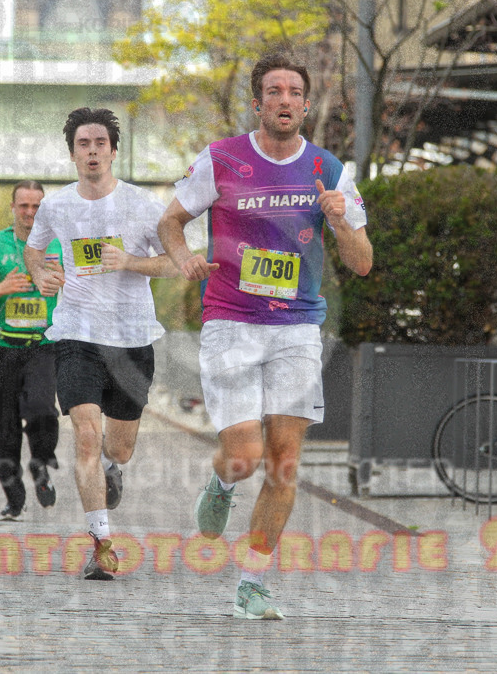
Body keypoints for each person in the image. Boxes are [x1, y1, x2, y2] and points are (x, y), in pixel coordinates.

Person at [157, 49, 373, 619]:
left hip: (298, 328)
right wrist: (182, 258)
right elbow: (170, 220)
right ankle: (223, 485)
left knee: (283, 462)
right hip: (230, 322)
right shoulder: (222, 158)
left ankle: (252, 582)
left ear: (305, 104)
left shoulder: (329, 169)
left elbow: (363, 262)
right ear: (257, 103)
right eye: (273, 92)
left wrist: (338, 219)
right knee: (247, 455)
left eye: (294, 92)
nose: (284, 100)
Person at [24, 108, 177, 580]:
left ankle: (116, 468)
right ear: (72, 153)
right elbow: (35, 248)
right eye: (83, 144)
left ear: (113, 150)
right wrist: (40, 272)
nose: (92, 151)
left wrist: (130, 260)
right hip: (75, 335)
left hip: (131, 339)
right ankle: (102, 544)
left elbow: (173, 261)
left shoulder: (143, 204)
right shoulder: (56, 205)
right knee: (86, 437)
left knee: (120, 447)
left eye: (100, 144)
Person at [0, 181, 63, 522]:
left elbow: (86, 284)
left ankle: (41, 462)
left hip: (43, 345)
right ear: (13, 207)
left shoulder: (58, 244)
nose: (30, 213)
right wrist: (3, 287)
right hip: (2, 348)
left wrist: (65, 279)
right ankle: (14, 496)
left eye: (37, 206)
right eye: (24, 206)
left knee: (40, 407)